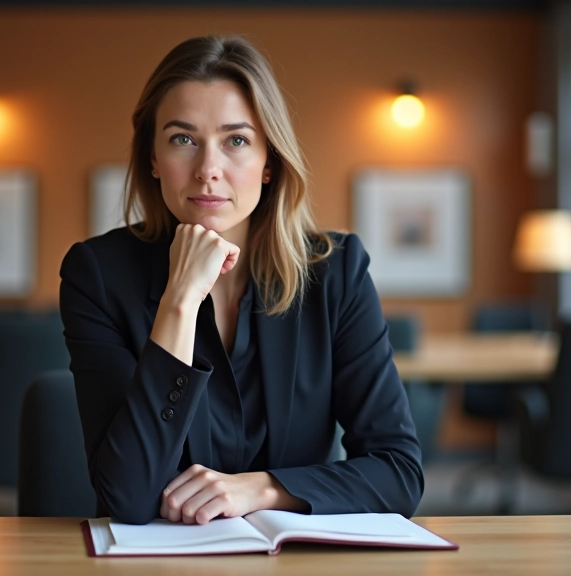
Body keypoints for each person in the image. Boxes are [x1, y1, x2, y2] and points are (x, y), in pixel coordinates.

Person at [59, 35, 422, 526]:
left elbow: (398, 473)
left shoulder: (336, 272)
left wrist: (261, 489)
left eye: (236, 140)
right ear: (152, 158)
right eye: (182, 139)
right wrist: (179, 303)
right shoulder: (97, 276)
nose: (208, 170)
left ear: (269, 161)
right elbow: (128, 497)